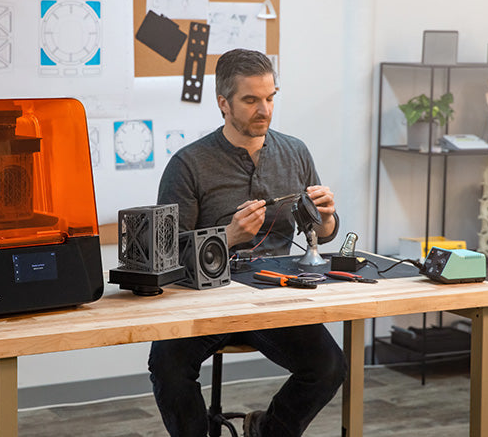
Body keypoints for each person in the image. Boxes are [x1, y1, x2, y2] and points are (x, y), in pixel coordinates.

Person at [148, 48, 346, 437]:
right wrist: (226, 239)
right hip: (203, 299)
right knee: (168, 367)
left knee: (329, 367)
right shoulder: (188, 164)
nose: (265, 110)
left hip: (272, 294)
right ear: (223, 103)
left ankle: (267, 429)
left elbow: (320, 233)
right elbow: (163, 254)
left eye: (271, 98)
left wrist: (326, 219)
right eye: (251, 100)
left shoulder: (295, 152)